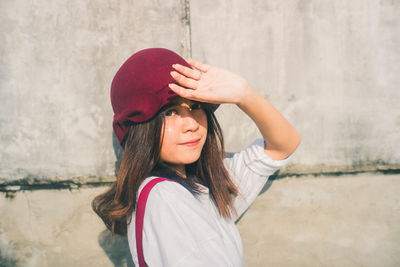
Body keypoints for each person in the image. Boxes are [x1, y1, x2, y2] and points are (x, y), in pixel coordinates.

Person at [92, 48, 301, 267]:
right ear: (139, 128)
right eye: (170, 112)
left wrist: (244, 94)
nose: (191, 124)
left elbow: (283, 146)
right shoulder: (164, 197)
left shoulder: (205, 184)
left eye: (196, 107)